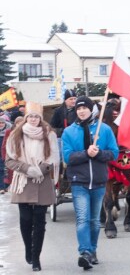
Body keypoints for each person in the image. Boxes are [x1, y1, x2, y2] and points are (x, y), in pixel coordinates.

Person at [62, 96, 119, 270]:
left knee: (94, 220)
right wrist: (86, 153)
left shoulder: (105, 129)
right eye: (78, 109)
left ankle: (93, 251)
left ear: (91, 109)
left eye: (84, 108)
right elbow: (67, 157)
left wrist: (99, 153)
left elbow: (114, 153)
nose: (81, 111)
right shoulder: (69, 132)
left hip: (99, 181)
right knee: (82, 219)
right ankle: (85, 252)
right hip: (79, 181)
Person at [5, 102, 59, 271]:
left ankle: (36, 258)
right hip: (23, 181)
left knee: (40, 221)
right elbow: (10, 160)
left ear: (41, 118)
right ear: (26, 118)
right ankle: (29, 249)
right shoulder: (16, 134)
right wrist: (28, 168)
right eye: (31, 116)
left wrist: (41, 169)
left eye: (37, 116)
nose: (34, 119)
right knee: (26, 220)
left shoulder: (48, 134)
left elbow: (54, 157)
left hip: (42, 181)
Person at [2, 116, 24, 191]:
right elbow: (4, 145)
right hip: (11, 155)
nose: (20, 124)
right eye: (18, 123)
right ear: (15, 123)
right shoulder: (9, 131)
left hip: (22, 156)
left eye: (21, 122)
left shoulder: (26, 131)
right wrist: (4, 156)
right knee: (11, 173)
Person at [0, 117, 12, 194]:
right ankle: (2, 187)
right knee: (1, 170)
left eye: (2, 123)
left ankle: (4, 186)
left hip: (5, 153)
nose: (0, 124)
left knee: (6, 170)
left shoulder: (9, 131)